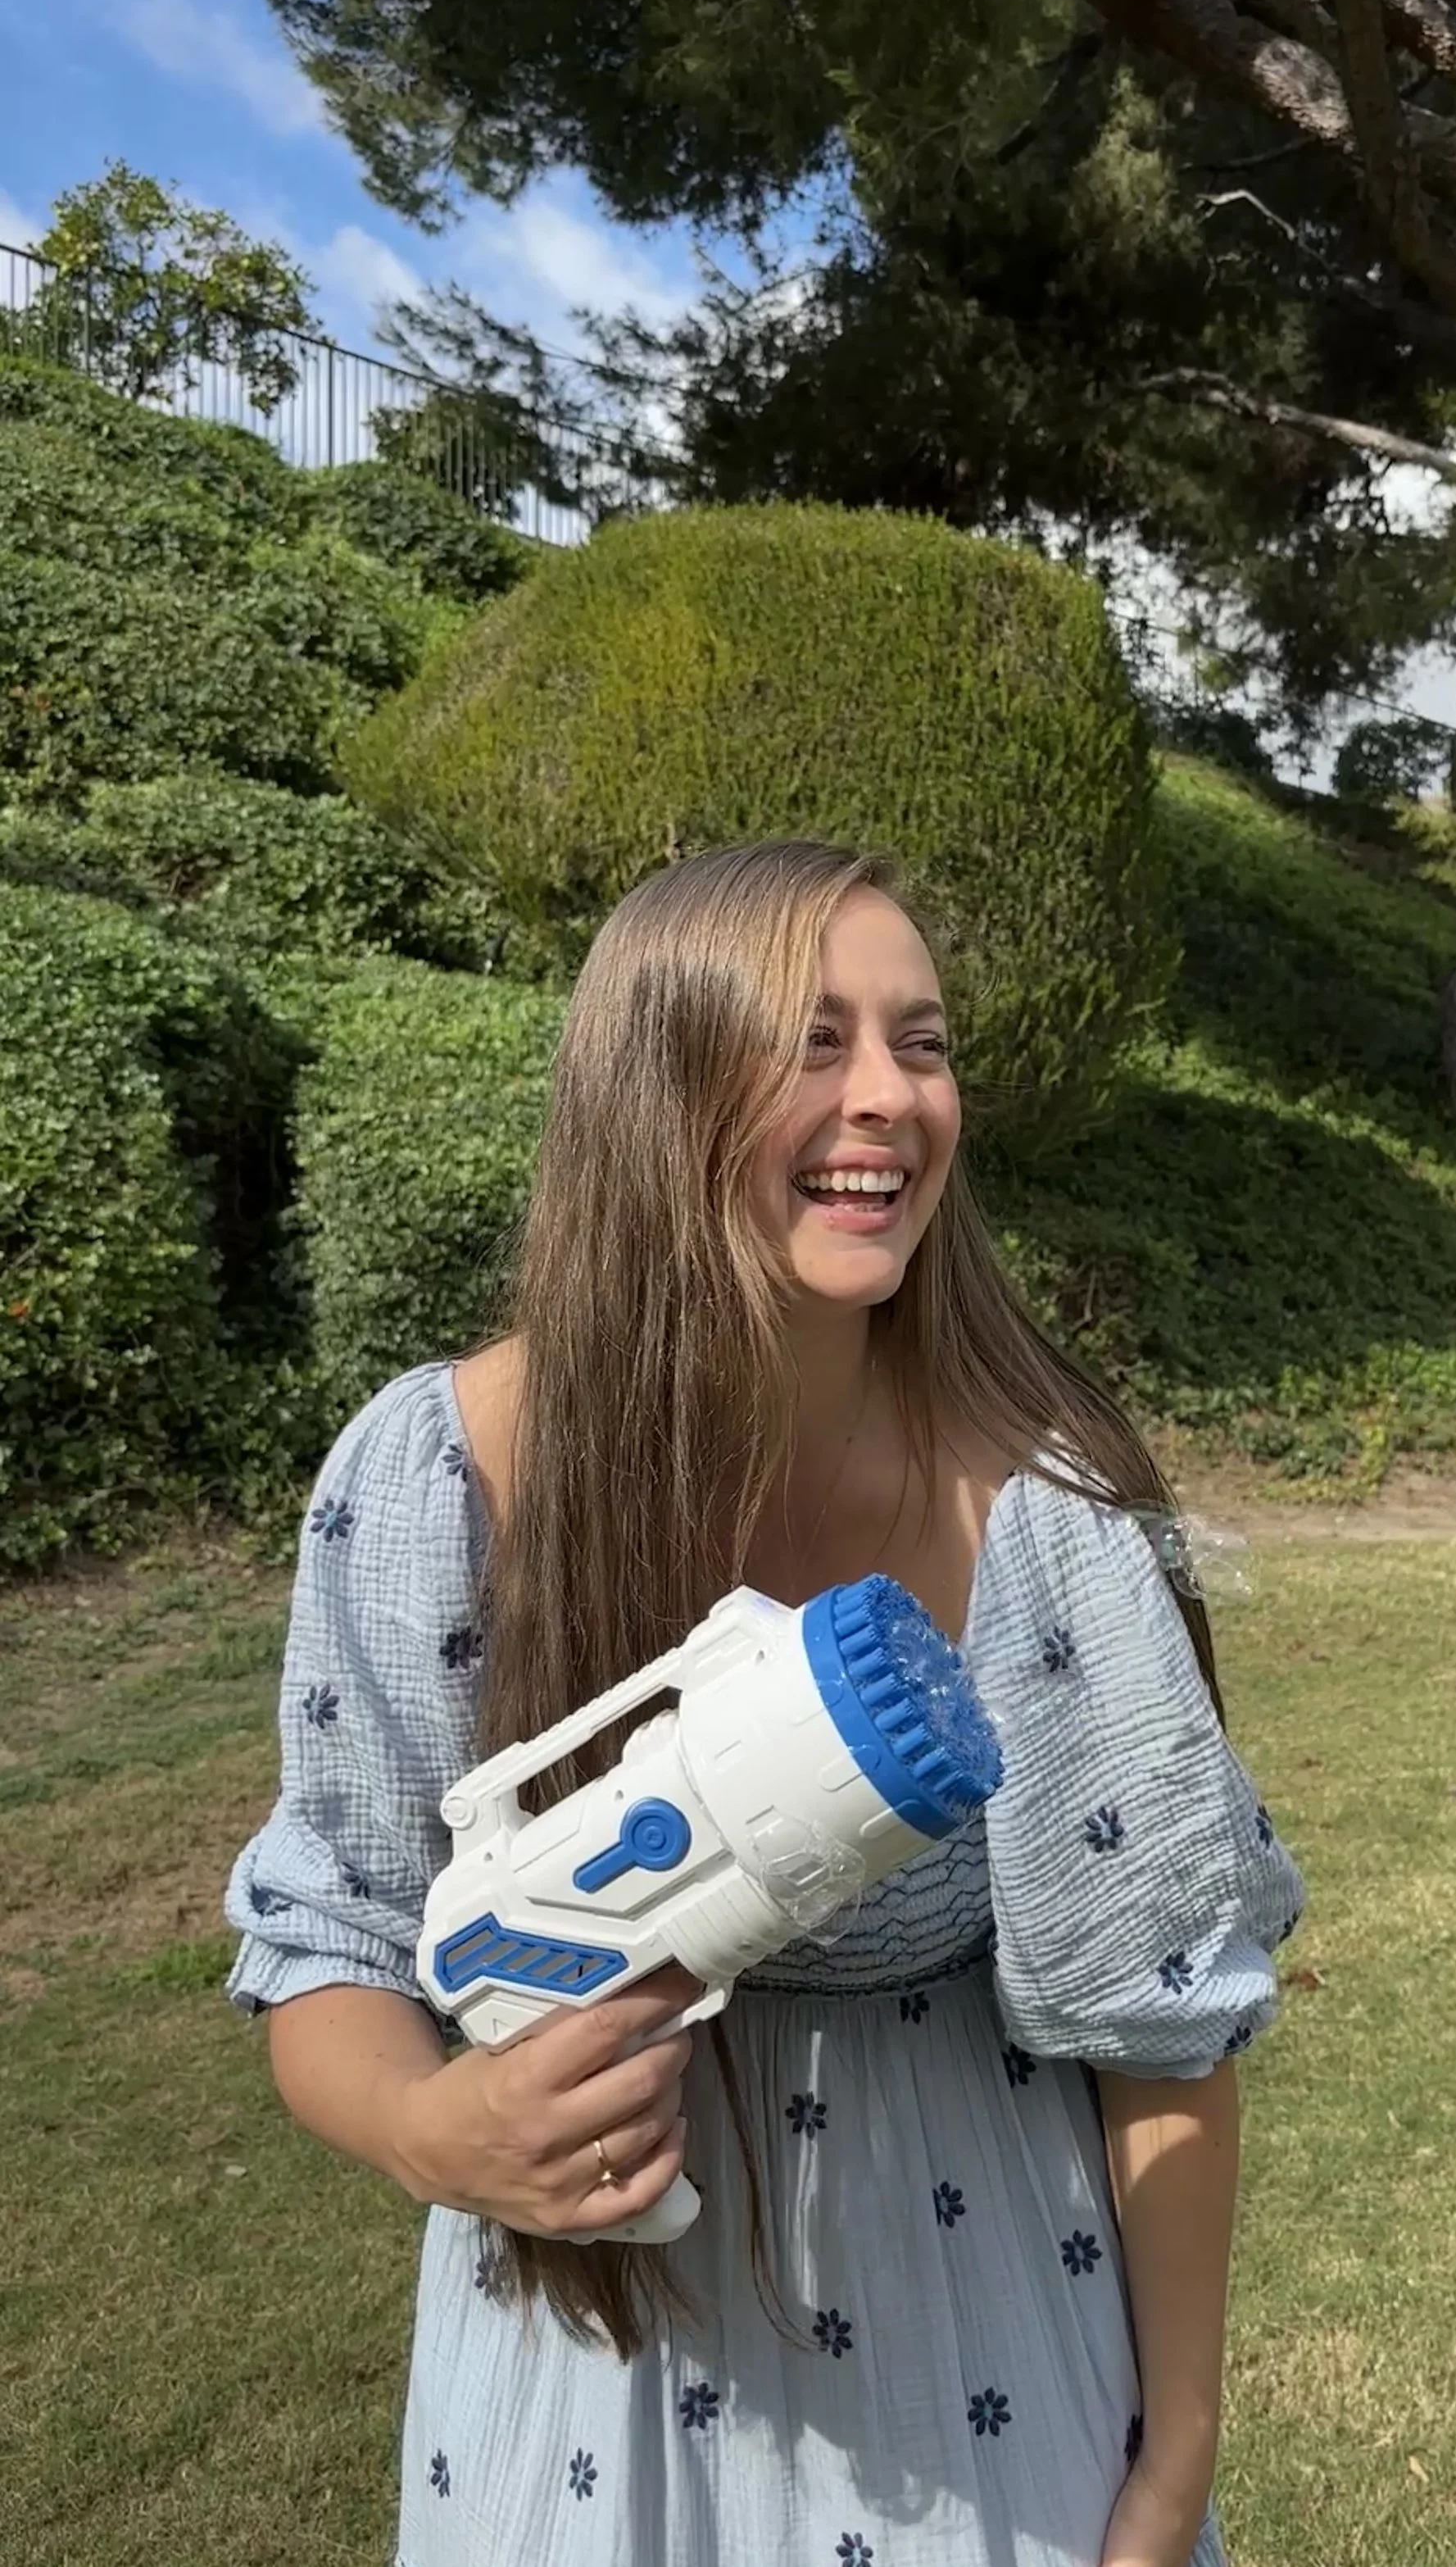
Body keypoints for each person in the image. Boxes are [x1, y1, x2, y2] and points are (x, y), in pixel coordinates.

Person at [225, 839, 1305, 2567]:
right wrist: (437, 2129)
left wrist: (1167, 2480)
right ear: (657, 1081)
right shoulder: (439, 1476)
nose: (888, 1095)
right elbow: (331, 1938)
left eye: (921, 1043)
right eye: (813, 1041)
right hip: (578, 2384)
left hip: (978, 2343)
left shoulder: (1043, 1514)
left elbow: (1160, 2033)